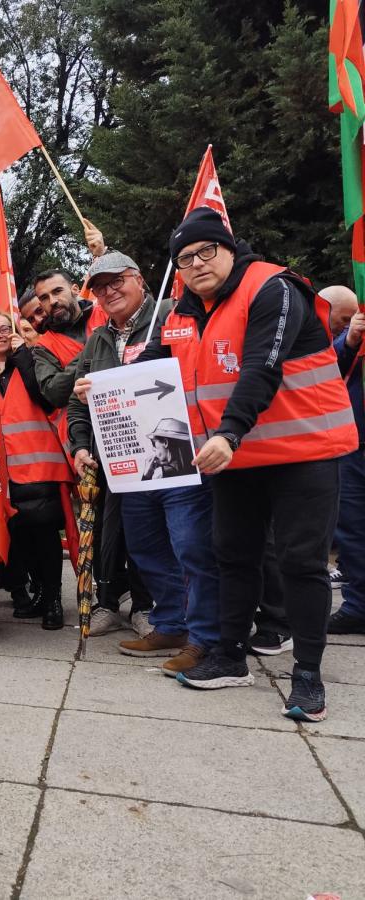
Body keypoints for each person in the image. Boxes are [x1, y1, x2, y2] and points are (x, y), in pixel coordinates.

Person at [143, 207, 356, 721]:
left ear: (229, 248)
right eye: (184, 258)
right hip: (237, 456)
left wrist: (229, 431)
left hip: (303, 450)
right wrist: (101, 387)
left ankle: (307, 675)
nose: (196, 263)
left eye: (206, 251)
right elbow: (152, 366)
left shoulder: (273, 288)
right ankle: (230, 656)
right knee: (233, 555)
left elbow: (263, 365)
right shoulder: (182, 312)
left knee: (301, 562)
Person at [70, 251, 219, 674]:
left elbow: (202, 369)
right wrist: (80, 444)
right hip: (128, 465)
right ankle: (170, 625)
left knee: (191, 547)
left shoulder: (173, 315)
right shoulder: (97, 338)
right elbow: (78, 400)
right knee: (145, 548)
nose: (108, 291)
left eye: (117, 281)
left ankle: (207, 638)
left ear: (139, 279)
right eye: (100, 287)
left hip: (180, 457)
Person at [0, 311, 69, 630]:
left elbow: (46, 398)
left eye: (4, 328)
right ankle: (40, 593)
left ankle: (54, 599)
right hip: (3, 472)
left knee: (44, 535)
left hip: (38, 464)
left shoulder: (31, 360)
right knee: (21, 536)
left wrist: (23, 356)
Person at [331, 303, 365, 635]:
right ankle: (358, 606)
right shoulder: (354, 333)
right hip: (354, 448)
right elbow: (326, 370)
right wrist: (351, 339)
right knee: (352, 531)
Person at [30, 269, 106, 408]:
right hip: (82, 419)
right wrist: (92, 351)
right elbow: (54, 393)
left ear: (75, 289)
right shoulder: (43, 347)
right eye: (44, 298)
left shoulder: (106, 313)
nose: (52, 301)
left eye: (57, 291)